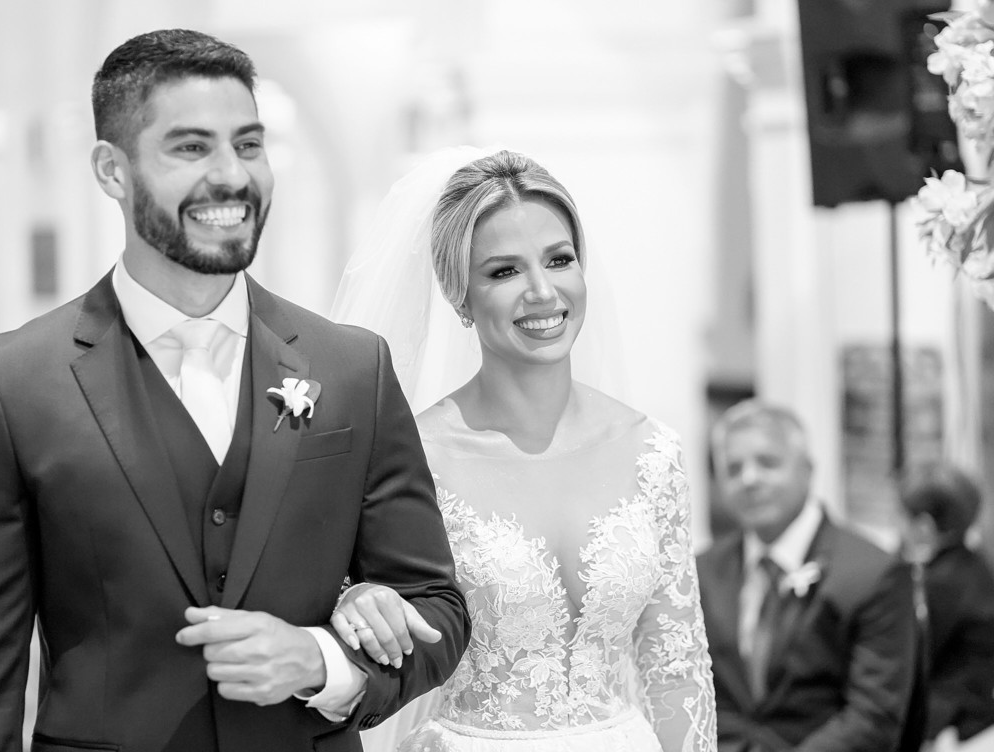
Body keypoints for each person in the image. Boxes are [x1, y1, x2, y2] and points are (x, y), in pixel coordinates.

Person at [0, 29, 469, 752]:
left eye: (248, 145)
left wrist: (323, 661)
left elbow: (436, 611)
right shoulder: (13, 385)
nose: (232, 176)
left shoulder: (352, 369)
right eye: (191, 147)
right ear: (112, 170)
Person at [329, 149, 716, 751]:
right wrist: (354, 600)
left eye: (559, 260)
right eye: (504, 271)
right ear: (459, 296)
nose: (541, 291)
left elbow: (676, 669)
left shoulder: (652, 451)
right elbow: (359, 613)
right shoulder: (414, 457)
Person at [698, 399, 918, 752]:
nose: (749, 479)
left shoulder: (874, 573)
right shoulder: (702, 570)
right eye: (733, 469)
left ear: (807, 469)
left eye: (768, 463)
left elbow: (873, 718)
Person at [900, 462, 994, 746]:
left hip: (953, 727)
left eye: (901, 517)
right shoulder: (975, 565)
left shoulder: (938, 585)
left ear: (924, 526)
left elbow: (910, 660)